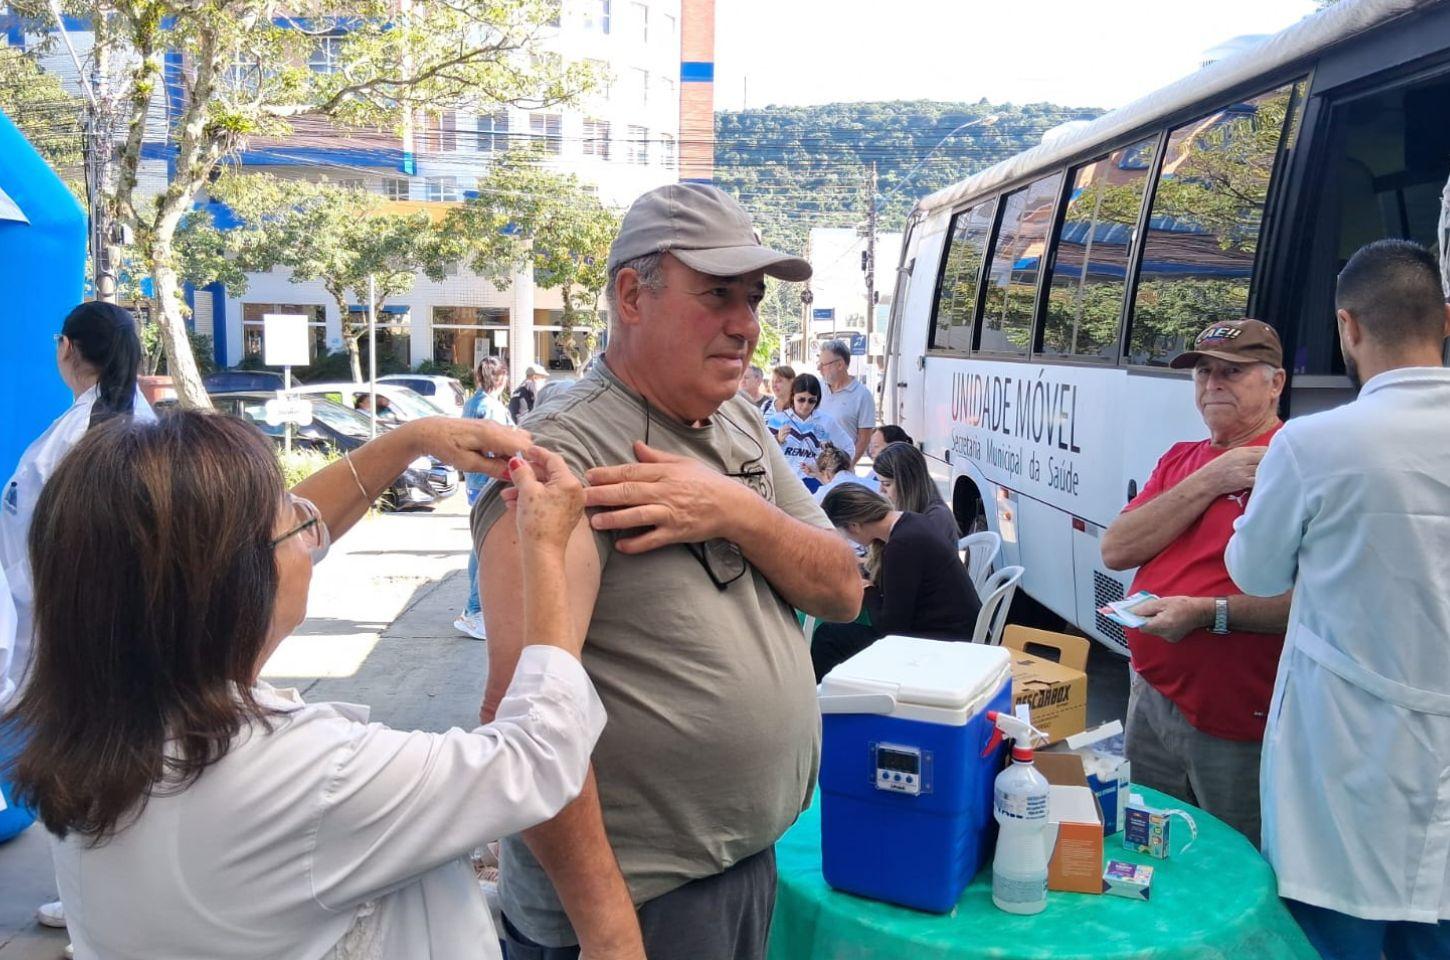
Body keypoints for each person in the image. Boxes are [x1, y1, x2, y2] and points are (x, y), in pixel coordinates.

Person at [3, 409, 604, 959]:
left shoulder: (92, 723)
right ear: (240, 582)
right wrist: (544, 551)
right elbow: (538, 755)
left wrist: (413, 440)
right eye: (288, 518)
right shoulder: (305, 777)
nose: (310, 527)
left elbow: (242, 546)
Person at [472, 182, 861, 960]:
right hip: (634, 907)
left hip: (737, 870)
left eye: (752, 299)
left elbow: (842, 588)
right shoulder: (563, 458)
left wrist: (735, 511)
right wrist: (610, 934)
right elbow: (525, 726)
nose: (746, 325)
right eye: (717, 295)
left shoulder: (737, 418)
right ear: (632, 295)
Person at [1225, 240, 1450, 959]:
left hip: (1343, 761)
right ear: (1446, 319)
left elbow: (1255, 574)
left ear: (1347, 327)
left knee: (1334, 934)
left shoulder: (1314, 445)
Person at [1098, 318, 1292, 847]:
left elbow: (1315, 601)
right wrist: (1213, 478)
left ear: (1275, 383)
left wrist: (1208, 613)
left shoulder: (1295, 461)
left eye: (1232, 372)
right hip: (1152, 692)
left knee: (1232, 862)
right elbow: (1117, 548)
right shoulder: (1183, 458)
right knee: (1149, 846)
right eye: (1204, 372)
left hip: (1234, 717)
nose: (1213, 385)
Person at [0, 301, 154, 938]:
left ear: (67, 349)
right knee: (129, 771)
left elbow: (30, 556)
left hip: (65, 634)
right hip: (131, 630)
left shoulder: (67, 443)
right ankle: (112, 902)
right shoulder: (147, 426)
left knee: (73, 773)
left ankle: (93, 910)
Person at [811, 485, 981, 682]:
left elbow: (890, 628)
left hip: (943, 643)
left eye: (845, 534)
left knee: (828, 635)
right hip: (959, 628)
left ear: (854, 526)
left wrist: (867, 589)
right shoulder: (911, 521)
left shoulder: (901, 545)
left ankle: (826, 702)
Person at [456, 356, 515, 641]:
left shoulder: (472, 403)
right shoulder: (490, 407)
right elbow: (496, 447)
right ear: (501, 378)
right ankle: (475, 611)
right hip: (491, 481)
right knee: (487, 548)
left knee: (479, 545)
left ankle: (473, 611)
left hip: (475, 481)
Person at [775, 373, 850, 491]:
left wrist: (831, 456)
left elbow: (848, 448)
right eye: (801, 400)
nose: (805, 405)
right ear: (792, 396)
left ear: (818, 400)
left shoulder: (826, 421)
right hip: (784, 483)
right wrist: (778, 440)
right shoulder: (777, 420)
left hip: (815, 484)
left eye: (811, 401)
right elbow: (764, 452)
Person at [873, 441, 958, 544]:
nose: (881, 490)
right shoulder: (905, 509)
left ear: (907, 483)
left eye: (886, 484)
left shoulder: (935, 517)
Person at [816, 339, 876, 465]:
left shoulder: (862, 396)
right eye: (819, 363)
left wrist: (847, 466)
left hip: (840, 470)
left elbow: (864, 439)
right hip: (814, 469)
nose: (819, 368)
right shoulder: (817, 388)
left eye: (823, 364)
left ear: (840, 365)